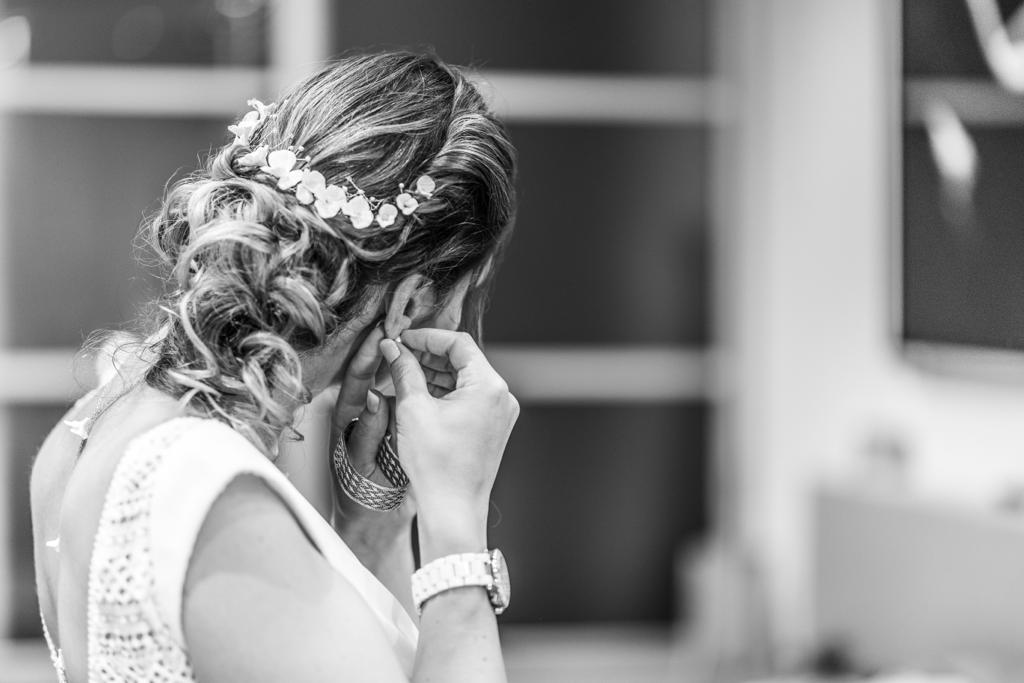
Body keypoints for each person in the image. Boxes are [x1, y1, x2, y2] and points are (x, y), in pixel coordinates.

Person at [29, 51, 519, 682]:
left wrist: (377, 527)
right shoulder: (213, 494)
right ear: (412, 300)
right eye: (466, 294)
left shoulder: (96, 420)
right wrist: (458, 533)